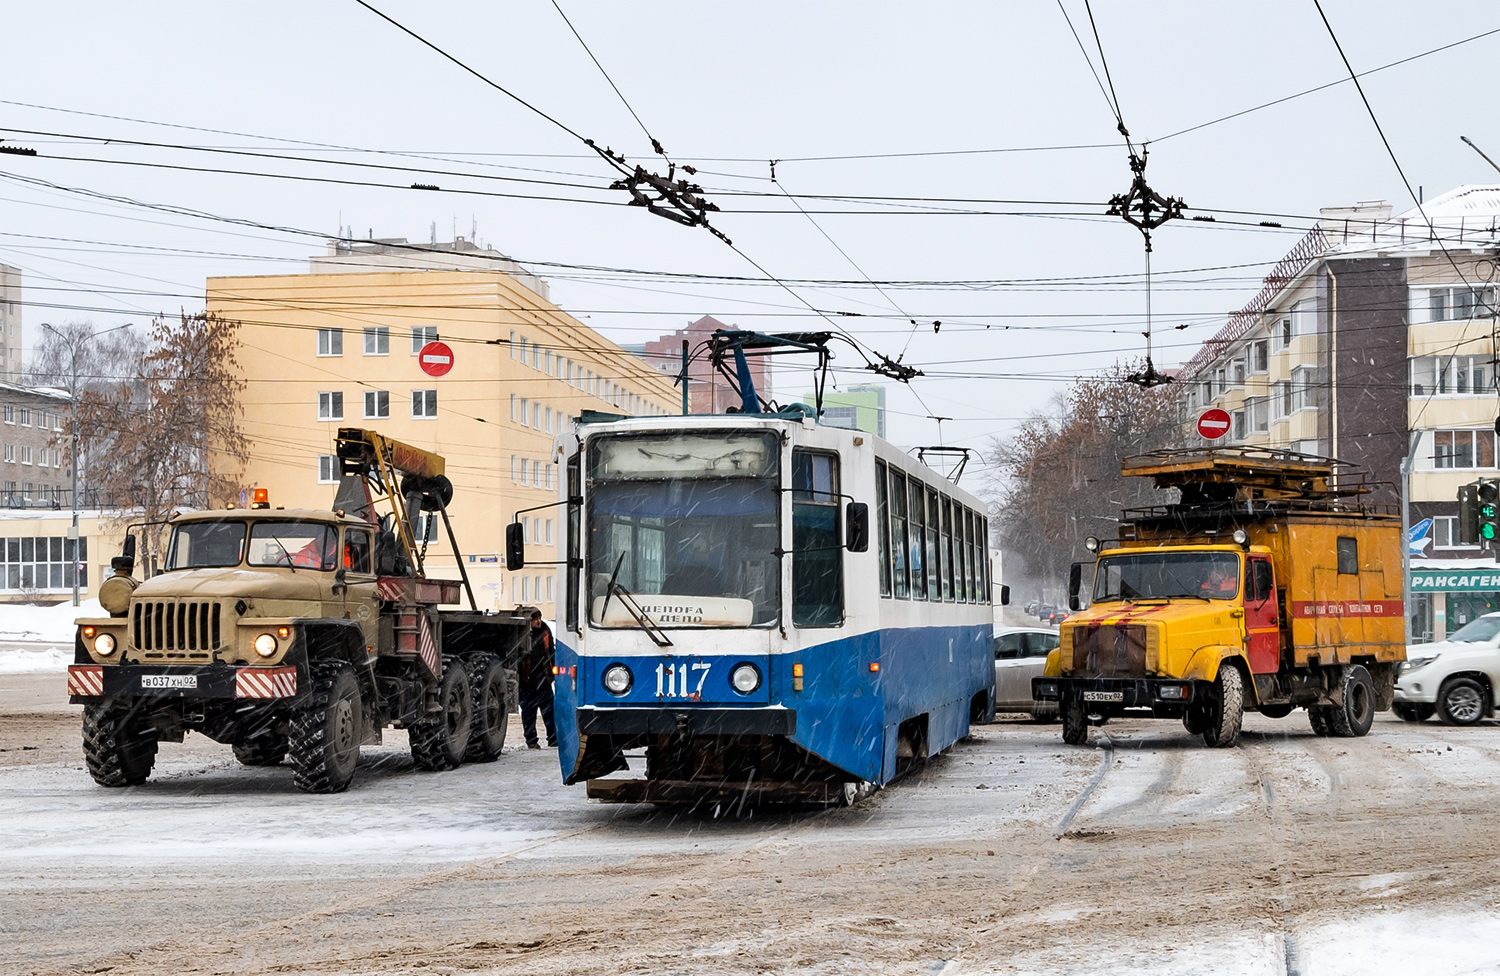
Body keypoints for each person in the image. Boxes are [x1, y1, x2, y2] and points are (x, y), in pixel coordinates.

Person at [517, 610, 556, 749]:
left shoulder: (545, 630)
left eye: (539, 618)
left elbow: (551, 651)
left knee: (549, 712)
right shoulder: (522, 633)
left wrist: (553, 673)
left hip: (543, 679)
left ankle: (553, 738)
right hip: (528, 681)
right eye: (535, 619)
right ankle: (532, 741)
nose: (538, 621)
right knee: (529, 713)